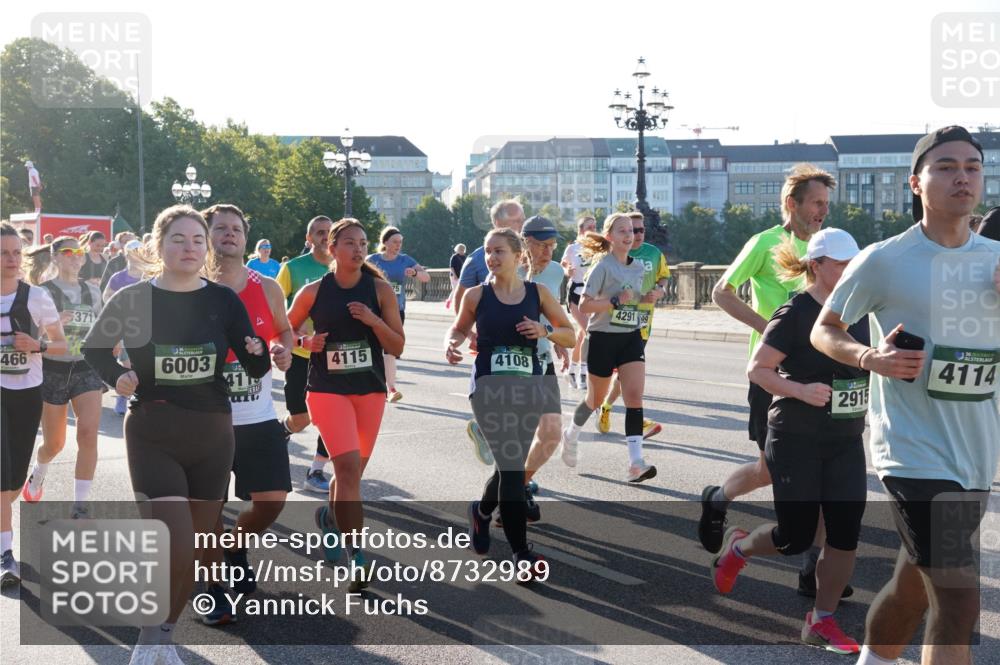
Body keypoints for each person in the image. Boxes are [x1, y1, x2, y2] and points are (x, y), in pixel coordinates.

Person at [811, 126, 1000, 665]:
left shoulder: (995, 260)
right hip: (912, 451)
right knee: (960, 601)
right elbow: (825, 329)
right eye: (945, 167)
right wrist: (871, 358)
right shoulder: (886, 259)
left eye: (971, 166)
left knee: (913, 585)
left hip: (975, 454)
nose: (961, 176)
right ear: (916, 182)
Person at [82, 205, 270, 665]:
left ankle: (164, 635)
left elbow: (257, 364)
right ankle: (148, 642)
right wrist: (118, 376)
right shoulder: (135, 299)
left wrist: (263, 352)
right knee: (176, 541)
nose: (189, 248)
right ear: (158, 245)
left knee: (196, 548)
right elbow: (95, 348)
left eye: (196, 240)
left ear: (206, 249)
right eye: (178, 239)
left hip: (211, 435)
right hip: (153, 433)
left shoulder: (223, 300)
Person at [711, 228, 868, 655]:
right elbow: (758, 370)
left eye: (853, 261)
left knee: (845, 532)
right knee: (795, 538)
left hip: (846, 438)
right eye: (840, 263)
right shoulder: (795, 311)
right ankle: (740, 546)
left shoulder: (862, 311)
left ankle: (821, 620)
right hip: (796, 437)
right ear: (816, 266)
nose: (849, 269)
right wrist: (800, 390)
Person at [700, 163, 837, 599]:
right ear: (791, 204)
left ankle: (811, 570)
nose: (821, 211)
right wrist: (769, 328)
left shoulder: (826, 248)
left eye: (826, 204)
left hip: (819, 374)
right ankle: (718, 498)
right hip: (772, 375)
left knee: (821, 476)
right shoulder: (765, 242)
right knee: (770, 471)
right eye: (816, 202)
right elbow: (721, 290)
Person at [447, 228, 573, 580]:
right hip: (488, 389)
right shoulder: (475, 295)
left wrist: (545, 331)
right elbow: (457, 328)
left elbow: (571, 334)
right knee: (513, 466)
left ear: (518, 256)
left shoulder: (539, 293)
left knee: (509, 467)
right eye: (488, 251)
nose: (492, 257)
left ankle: (482, 510)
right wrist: (453, 342)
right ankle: (521, 553)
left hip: (528, 389)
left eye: (499, 251)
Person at [287, 218, 404, 593]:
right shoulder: (313, 290)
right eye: (350, 243)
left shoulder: (380, 290)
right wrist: (306, 344)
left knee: (348, 475)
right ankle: (359, 557)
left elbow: (397, 346)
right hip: (326, 391)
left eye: (363, 243)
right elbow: (283, 331)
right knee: (350, 470)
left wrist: (372, 321)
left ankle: (329, 518)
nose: (358, 249)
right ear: (331, 248)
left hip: (369, 391)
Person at [199, 204, 293, 625]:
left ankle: (234, 546)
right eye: (221, 228)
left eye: (237, 228)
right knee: (207, 510)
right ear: (207, 235)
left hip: (258, 416)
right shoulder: (191, 285)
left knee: (272, 502)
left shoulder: (267, 286)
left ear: (246, 236)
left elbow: (284, 329)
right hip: (206, 420)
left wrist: (283, 349)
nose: (230, 234)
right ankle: (211, 588)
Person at [559, 212, 656, 483]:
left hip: (630, 335)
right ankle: (571, 435)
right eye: (622, 231)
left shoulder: (638, 267)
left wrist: (645, 298)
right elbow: (586, 304)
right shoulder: (601, 267)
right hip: (602, 337)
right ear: (610, 237)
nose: (630, 235)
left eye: (633, 231)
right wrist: (613, 301)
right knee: (595, 400)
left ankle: (636, 462)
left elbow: (631, 299)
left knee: (634, 397)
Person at [0, 223, 65, 589]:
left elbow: (63, 345)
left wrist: (37, 345)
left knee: (10, 483)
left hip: (26, 392)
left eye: (15, 252)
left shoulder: (37, 297)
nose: (10, 260)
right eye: (3, 252)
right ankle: (5, 554)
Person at [21, 237, 105, 519]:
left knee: (88, 433)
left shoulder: (93, 292)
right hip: (51, 370)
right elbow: (27, 340)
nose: (75, 257)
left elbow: (104, 326)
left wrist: (112, 345)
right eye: (68, 252)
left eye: (78, 252)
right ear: (55, 257)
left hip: (85, 368)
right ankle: (39, 471)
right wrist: (55, 324)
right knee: (54, 444)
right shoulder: (40, 293)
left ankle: (80, 505)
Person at [517, 216, 576, 521]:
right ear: (525, 242)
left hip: (542, 360)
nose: (549, 251)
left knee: (551, 434)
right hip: (511, 363)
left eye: (553, 245)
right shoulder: (505, 266)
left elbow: (554, 315)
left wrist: (559, 343)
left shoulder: (554, 271)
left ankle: (520, 485)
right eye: (542, 245)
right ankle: (504, 498)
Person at [597, 210, 669, 439]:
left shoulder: (654, 253)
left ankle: (611, 410)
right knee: (611, 377)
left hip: (642, 323)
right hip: (613, 323)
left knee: (628, 375)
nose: (635, 234)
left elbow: (663, 277)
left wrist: (660, 290)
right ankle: (587, 417)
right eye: (629, 230)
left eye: (639, 230)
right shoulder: (610, 257)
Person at [276, 216, 335, 493]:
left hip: (332, 357)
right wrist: (296, 339)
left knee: (331, 413)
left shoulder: (345, 268)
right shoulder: (293, 268)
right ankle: (282, 431)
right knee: (302, 418)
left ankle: (316, 470)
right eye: (320, 232)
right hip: (300, 354)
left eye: (329, 232)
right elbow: (275, 311)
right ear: (309, 238)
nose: (325, 236)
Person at [366, 226, 429, 402]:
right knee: (373, 349)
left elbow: (426, 278)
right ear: (385, 242)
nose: (398, 245)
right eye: (394, 241)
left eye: (400, 242)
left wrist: (415, 272)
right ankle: (375, 383)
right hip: (374, 310)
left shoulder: (404, 260)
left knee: (390, 351)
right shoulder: (372, 260)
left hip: (396, 311)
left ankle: (391, 388)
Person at [103, 239, 149, 415]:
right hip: (125, 326)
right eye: (134, 252)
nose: (137, 255)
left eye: (140, 251)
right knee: (127, 362)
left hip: (146, 325)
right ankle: (123, 396)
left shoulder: (149, 274)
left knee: (142, 361)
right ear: (127, 254)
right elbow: (106, 296)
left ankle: (138, 394)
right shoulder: (119, 277)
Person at [561, 215, 598, 389]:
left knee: (582, 335)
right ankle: (583, 373)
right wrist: (567, 269)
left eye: (595, 226)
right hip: (575, 293)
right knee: (589, 331)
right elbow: (563, 264)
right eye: (590, 227)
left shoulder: (599, 249)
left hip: (592, 295)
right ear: (581, 230)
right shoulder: (572, 248)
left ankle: (570, 372)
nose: (593, 229)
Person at [446, 243, 466, 310]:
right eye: (461, 250)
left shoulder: (464, 257)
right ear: (458, 250)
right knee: (455, 289)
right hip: (454, 276)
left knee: (459, 289)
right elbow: (451, 267)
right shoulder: (454, 257)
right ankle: (450, 301)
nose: (462, 251)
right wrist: (454, 275)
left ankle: (451, 301)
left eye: (463, 250)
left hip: (461, 276)